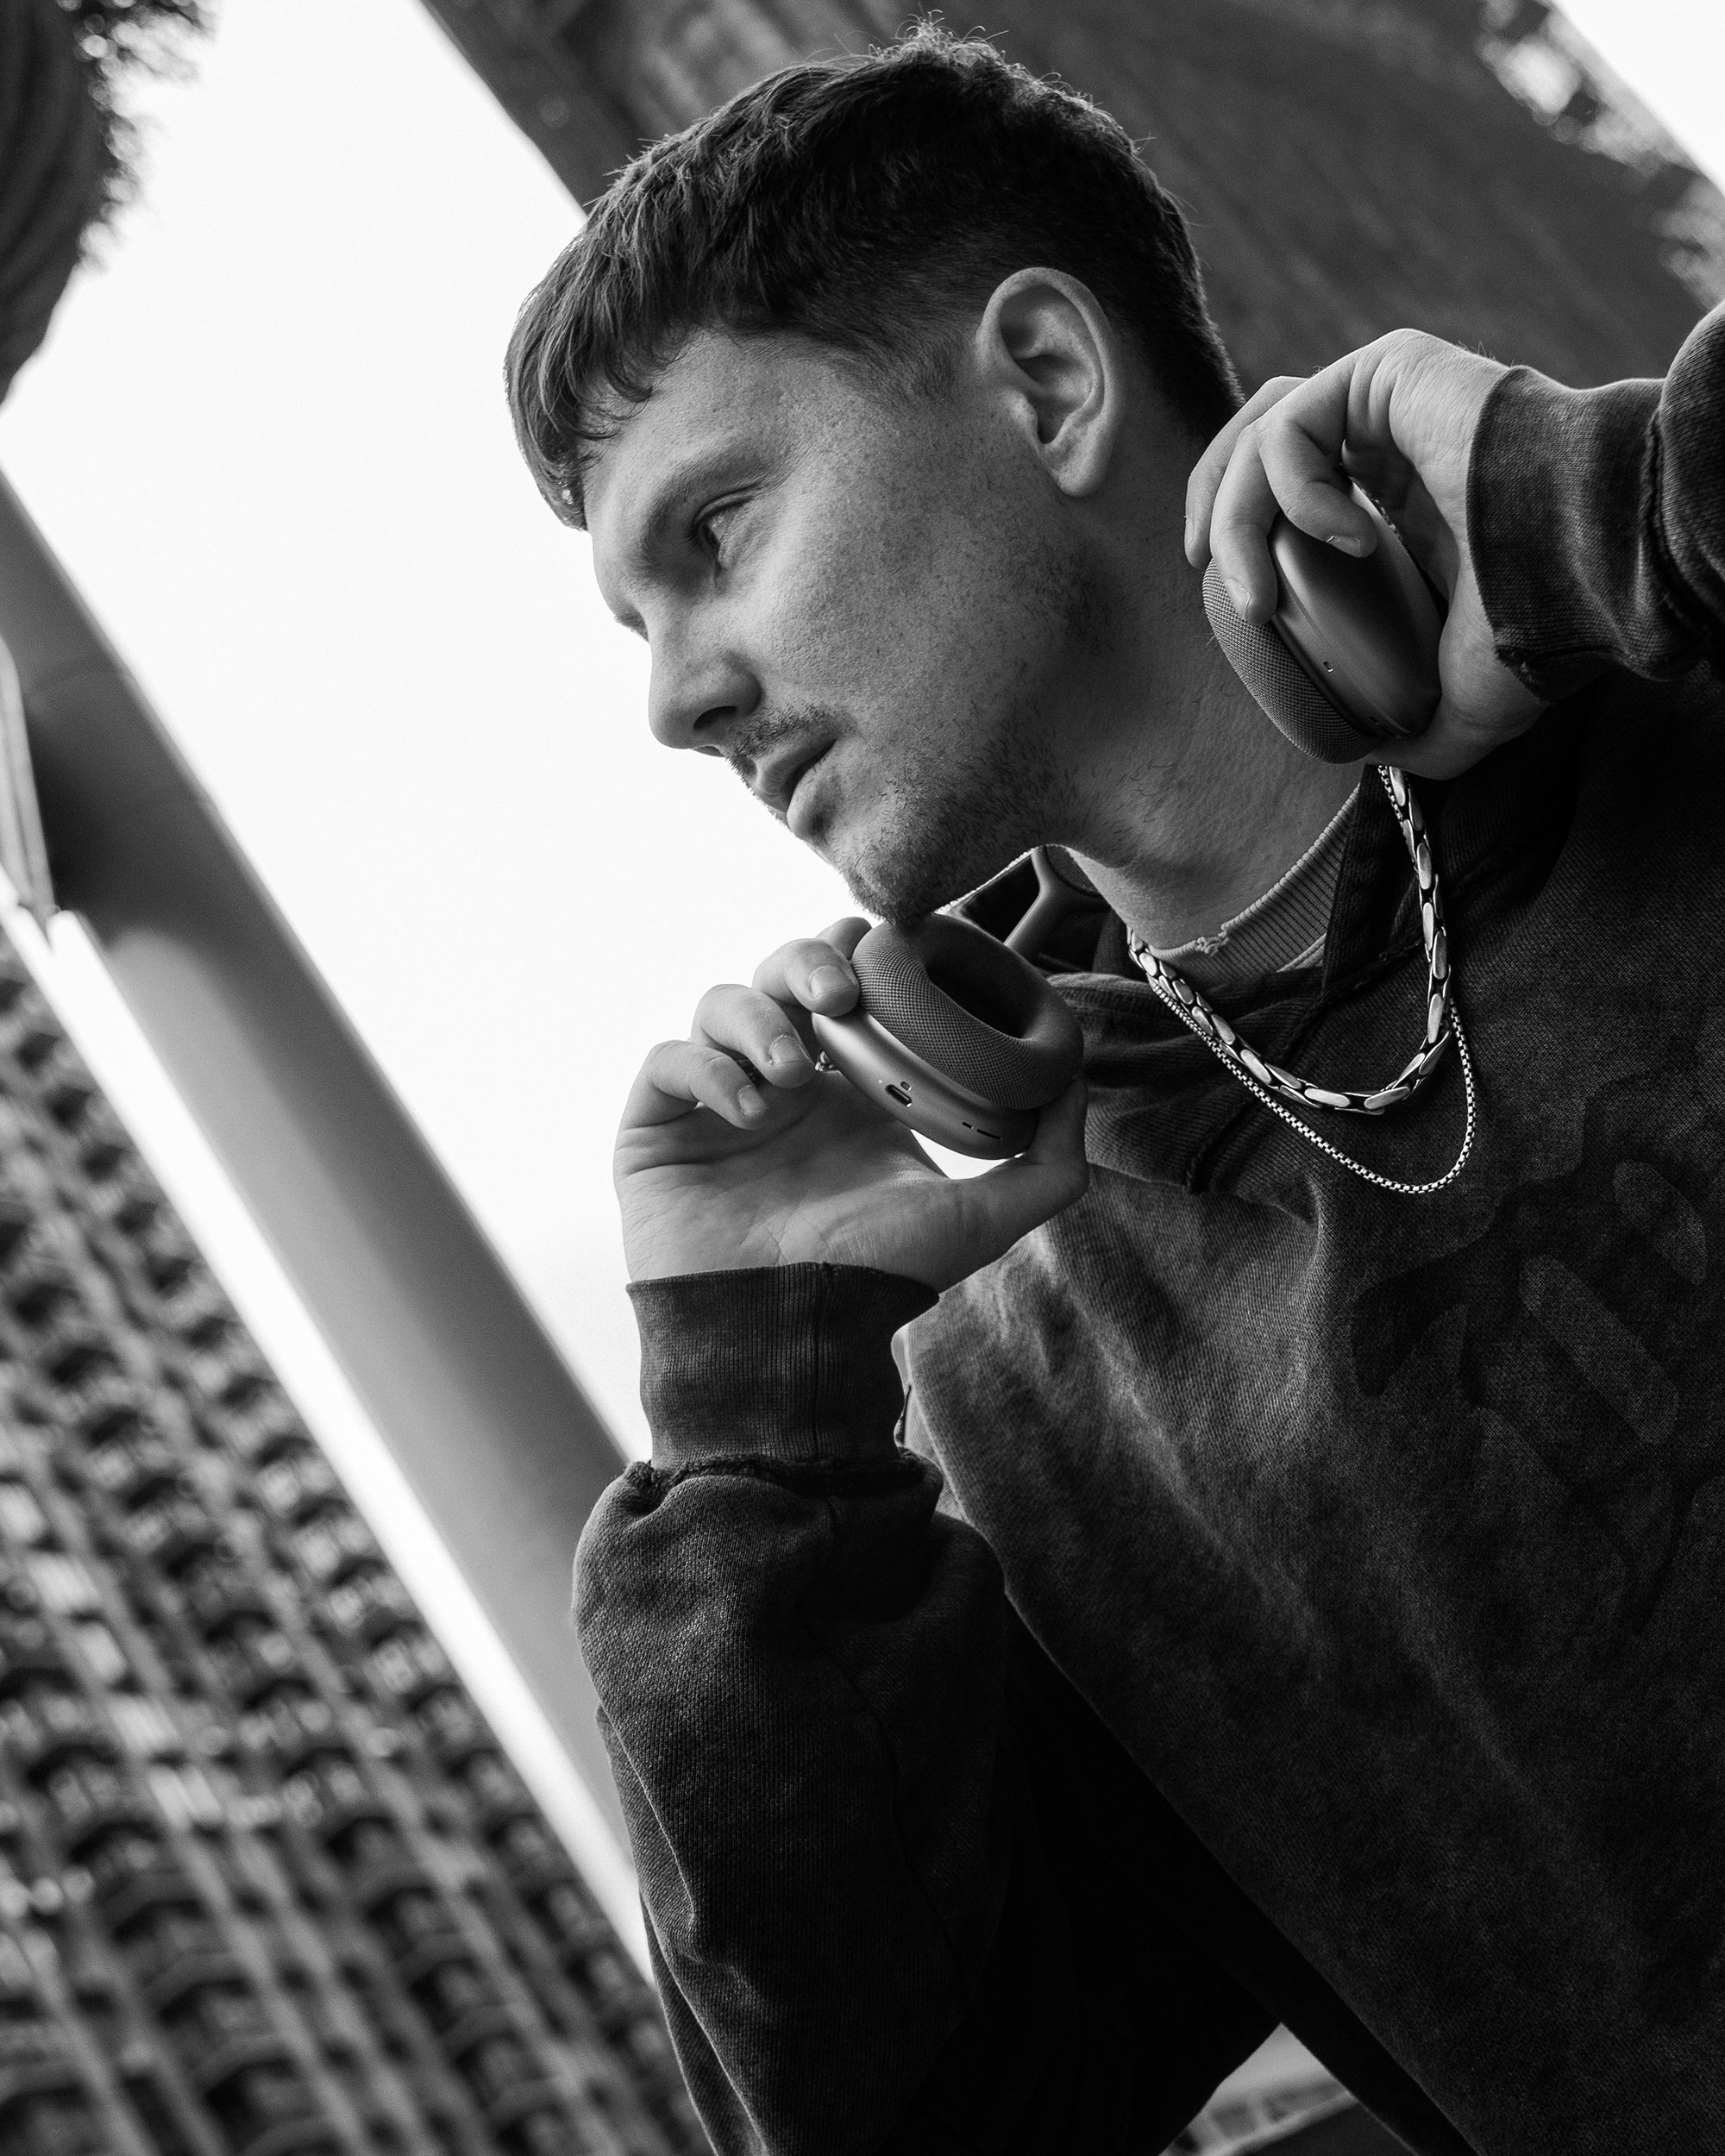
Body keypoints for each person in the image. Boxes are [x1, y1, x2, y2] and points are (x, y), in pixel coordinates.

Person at [505, 27, 1725, 2155]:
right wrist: (755, 1413)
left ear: (1051, 383)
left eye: (717, 525)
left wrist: (1621, 511)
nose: (675, 699)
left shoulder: (1667, 672)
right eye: (635, 619)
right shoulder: (1011, 1377)